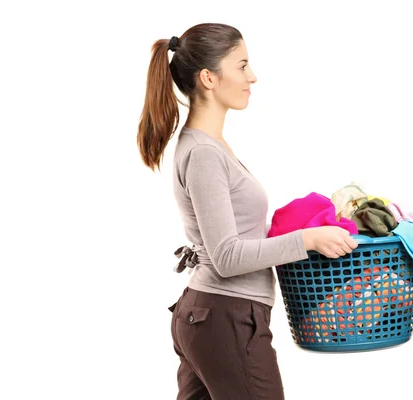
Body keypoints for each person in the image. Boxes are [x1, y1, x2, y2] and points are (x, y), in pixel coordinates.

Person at [136, 23, 358, 400]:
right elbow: (227, 256)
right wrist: (308, 239)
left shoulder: (208, 146)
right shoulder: (204, 154)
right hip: (226, 317)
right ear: (208, 77)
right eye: (241, 65)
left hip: (210, 316)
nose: (251, 76)